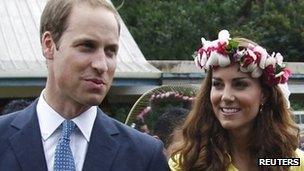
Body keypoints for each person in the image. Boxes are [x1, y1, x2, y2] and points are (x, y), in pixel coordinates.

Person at [0, 0, 169, 171]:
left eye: (110, 51)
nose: (102, 65)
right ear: (49, 45)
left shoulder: (144, 156)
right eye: (87, 46)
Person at [169, 30, 304, 170]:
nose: (226, 96)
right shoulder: (186, 163)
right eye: (218, 84)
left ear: (264, 94)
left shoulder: (292, 162)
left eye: (240, 85)